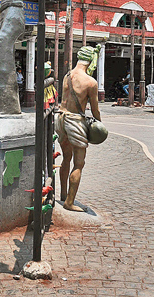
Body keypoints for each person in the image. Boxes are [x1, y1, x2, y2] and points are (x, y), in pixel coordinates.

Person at [55, 45, 101, 212]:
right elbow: (95, 110)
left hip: (60, 118)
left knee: (66, 158)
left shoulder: (68, 75)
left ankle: (62, 194)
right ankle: (69, 202)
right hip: (74, 121)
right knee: (79, 163)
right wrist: (99, 124)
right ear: (91, 61)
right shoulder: (90, 82)